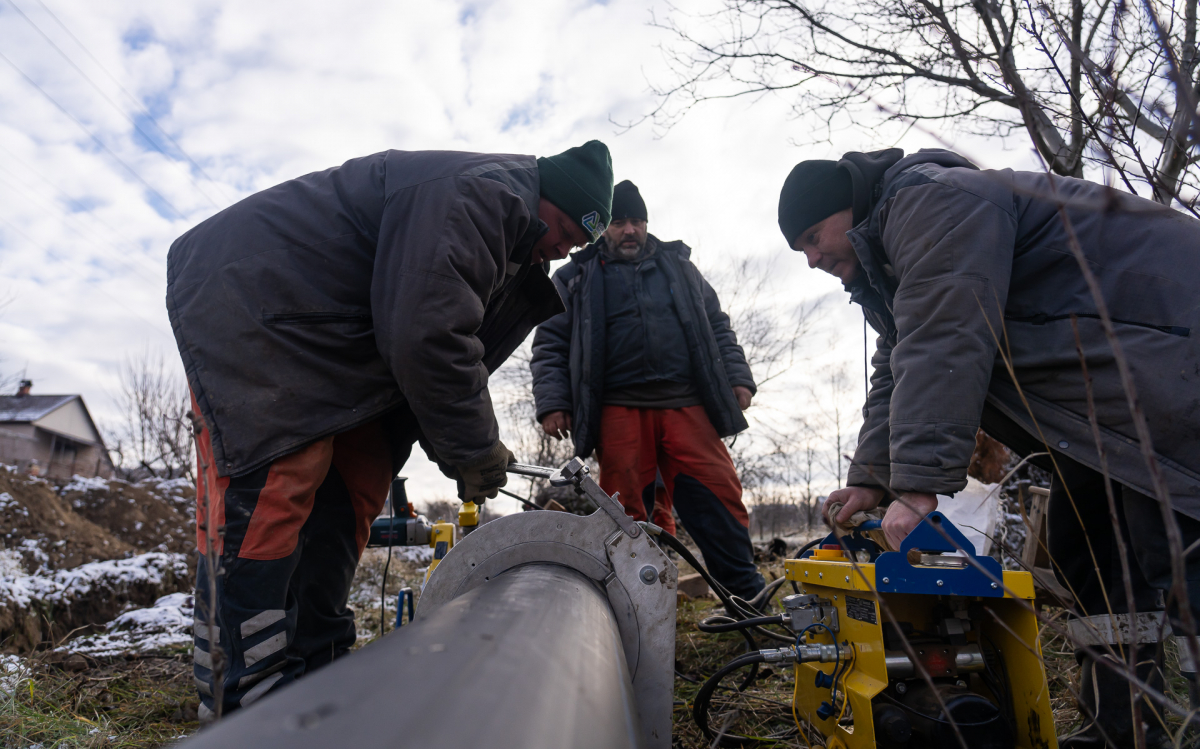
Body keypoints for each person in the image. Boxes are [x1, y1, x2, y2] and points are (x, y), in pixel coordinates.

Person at [167, 142, 614, 719]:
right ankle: (243, 699)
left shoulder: (511, 231)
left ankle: (318, 669)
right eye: (562, 230)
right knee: (275, 484)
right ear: (543, 197)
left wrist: (459, 441)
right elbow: (428, 333)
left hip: (342, 337)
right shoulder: (482, 196)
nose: (561, 248)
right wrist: (474, 450)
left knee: (357, 483)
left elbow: (428, 334)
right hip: (257, 303)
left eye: (576, 244)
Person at [778, 148, 1200, 748]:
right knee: (1092, 553)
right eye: (802, 252)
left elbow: (946, 333)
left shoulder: (931, 201)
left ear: (848, 207)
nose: (814, 260)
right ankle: (1123, 729)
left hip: (1165, 357)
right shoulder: (895, 261)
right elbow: (900, 366)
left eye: (814, 238)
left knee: (1179, 552)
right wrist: (873, 479)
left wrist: (919, 485)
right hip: (1099, 408)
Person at [532, 180, 765, 599]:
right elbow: (550, 340)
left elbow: (717, 325)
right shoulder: (577, 274)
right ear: (605, 227)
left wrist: (738, 377)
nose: (629, 230)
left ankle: (746, 600)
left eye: (636, 221)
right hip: (617, 411)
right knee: (625, 514)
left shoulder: (679, 266)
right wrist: (553, 401)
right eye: (619, 222)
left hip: (687, 405)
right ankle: (637, 610)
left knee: (719, 496)